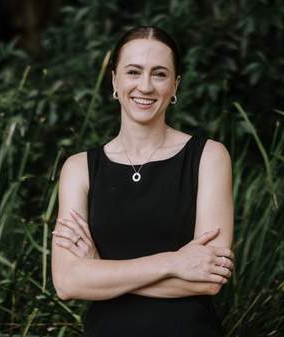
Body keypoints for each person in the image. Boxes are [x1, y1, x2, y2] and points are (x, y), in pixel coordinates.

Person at [50, 26, 234, 337]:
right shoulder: (79, 168)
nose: (145, 86)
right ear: (114, 80)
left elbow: (208, 279)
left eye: (159, 74)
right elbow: (68, 282)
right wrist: (173, 263)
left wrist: (100, 273)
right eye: (133, 71)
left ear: (175, 85)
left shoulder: (209, 157)